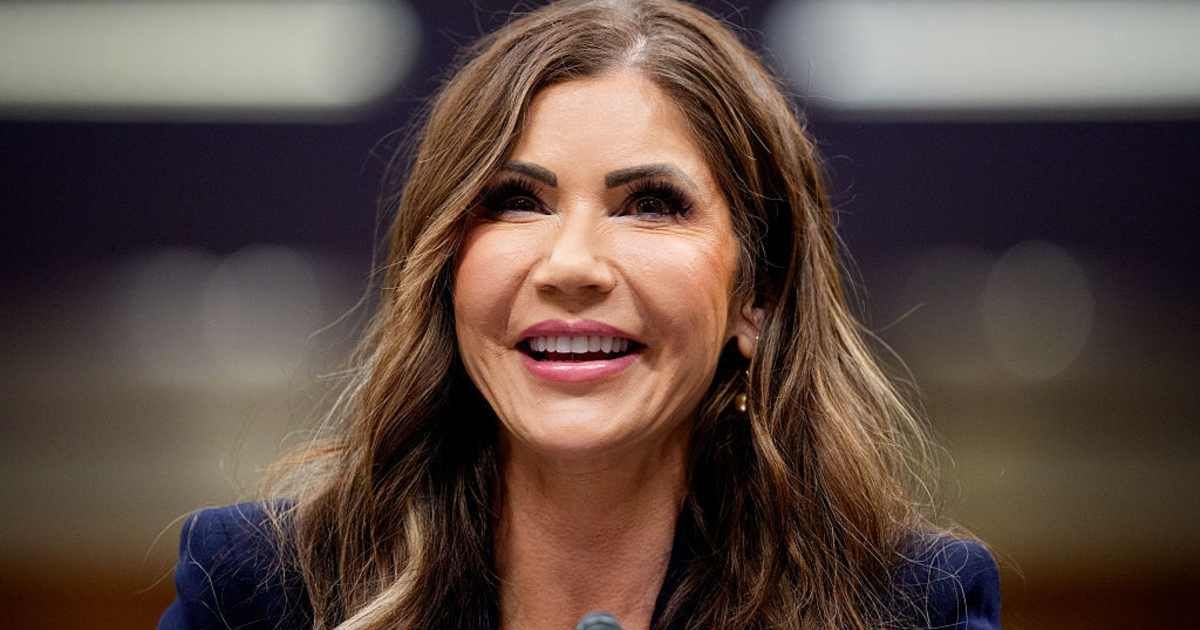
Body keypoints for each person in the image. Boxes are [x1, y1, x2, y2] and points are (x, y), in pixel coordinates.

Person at [159, 1, 1000, 629]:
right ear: (443, 264)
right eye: (516, 200)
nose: (570, 265)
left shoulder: (911, 603)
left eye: (651, 205)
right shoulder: (257, 588)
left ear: (760, 293)